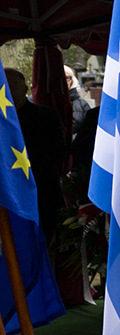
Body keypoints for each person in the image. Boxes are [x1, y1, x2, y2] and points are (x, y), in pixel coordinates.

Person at [5, 68, 67, 237]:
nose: (6, 91)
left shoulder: (46, 116)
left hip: (42, 195)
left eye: (11, 85)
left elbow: (59, 151)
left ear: (25, 89)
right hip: (9, 199)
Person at [64, 66, 92, 139]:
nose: (63, 81)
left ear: (72, 80)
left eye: (66, 78)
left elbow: (89, 130)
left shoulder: (82, 104)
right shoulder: (35, 101)